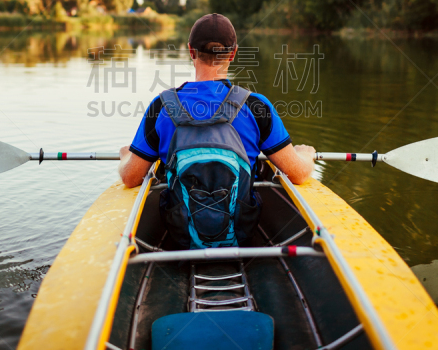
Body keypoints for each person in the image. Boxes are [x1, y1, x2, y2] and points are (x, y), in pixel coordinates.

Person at [118, 13, 315, 249]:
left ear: (191, 51)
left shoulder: (161, 107)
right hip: (241, 236)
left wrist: (125, 157)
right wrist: (307, 155)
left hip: (181, 238)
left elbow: (131, 178)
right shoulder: (256, 106)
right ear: (233, 53)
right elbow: (299, 174)